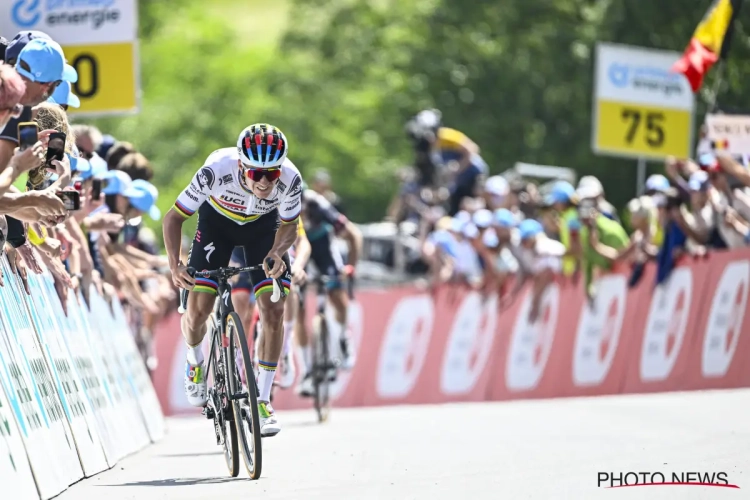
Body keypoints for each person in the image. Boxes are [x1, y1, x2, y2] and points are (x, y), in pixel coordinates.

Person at [163, 123, 301, 437]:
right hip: (217, 226)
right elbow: (174, 217)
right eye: (256, 174)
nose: (265, 182)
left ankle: (263, 400)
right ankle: (195, 360)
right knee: (198, 310)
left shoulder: (291, 179)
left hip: (263, 230)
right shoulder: (215, 171)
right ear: (241, 165)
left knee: (274, 309)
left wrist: (279, 252)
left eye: (272, 174)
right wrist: (175, 265)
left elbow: (291, 224)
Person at [295, 187, 362, 396]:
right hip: (298, 247)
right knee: (297, 307)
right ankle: (307, 370)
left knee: (336, 290)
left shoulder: (317, 203)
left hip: (322, 245)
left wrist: (350, 267)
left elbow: (354, 235)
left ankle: (343, 338)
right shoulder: (276, 203)